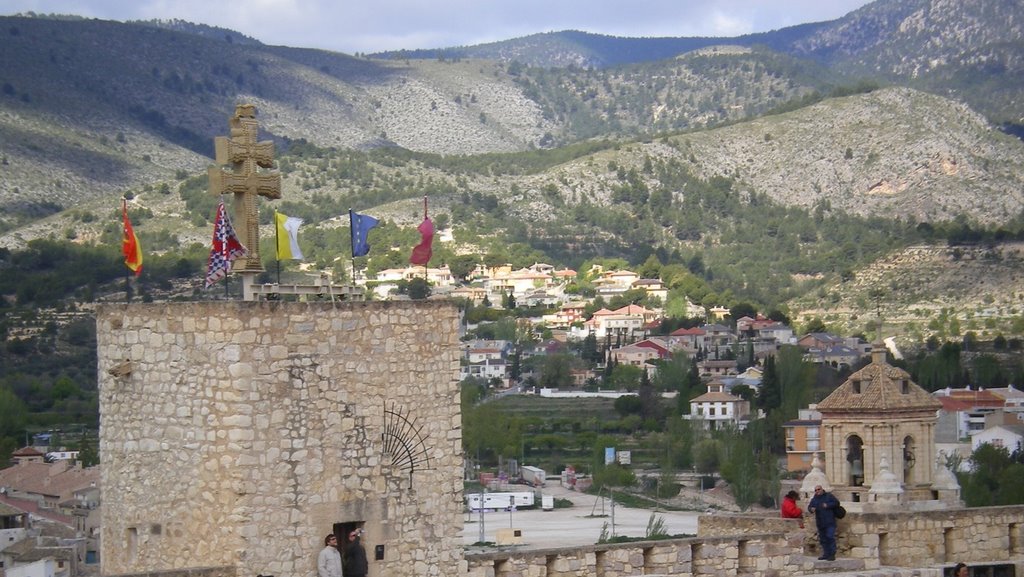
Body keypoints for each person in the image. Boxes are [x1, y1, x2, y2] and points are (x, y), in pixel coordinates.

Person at [807, 485, 840, 561]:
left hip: (830, 521)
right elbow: (809, 507)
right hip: (820, 522)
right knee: (823, 539)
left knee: (830, 537)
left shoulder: (829, 496)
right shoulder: (814, 499)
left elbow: (837, 503)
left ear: (822, 489)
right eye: (815, 490)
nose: (817, 491)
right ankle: (826, 554)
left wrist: (828, 505)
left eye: (818, 489)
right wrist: (811, 509)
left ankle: (832, 554)